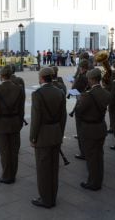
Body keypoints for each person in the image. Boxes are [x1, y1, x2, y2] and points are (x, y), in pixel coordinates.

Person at [30, 67, 66, 208]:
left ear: (42, 78)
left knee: (43, 169)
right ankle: (53, 196)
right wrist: (60, 133)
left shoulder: (37, 94)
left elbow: (36, 119)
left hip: (43, 136)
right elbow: (63, 117)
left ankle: (46, 199)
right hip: (56, 133)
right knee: (54, 168)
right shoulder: (60, 92)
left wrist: (33, 138)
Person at [0, 65, 25, 184]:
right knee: (14, 152)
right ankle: (13, 174)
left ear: (1, 76)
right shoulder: (19, 88)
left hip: (1, 124)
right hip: (15, 123)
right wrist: (20, 123)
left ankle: (6, 176)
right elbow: (21, 109)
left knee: (4, 152)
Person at [75, 68, 110, 191]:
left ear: (91, 79)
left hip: (89, 129)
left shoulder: (88, 95)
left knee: (91, 158)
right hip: (101, 126)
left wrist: (80, 101)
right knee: (99, 156)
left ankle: (93, 183)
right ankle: (97, 180)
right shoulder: (105, 92)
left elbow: (79, 112)